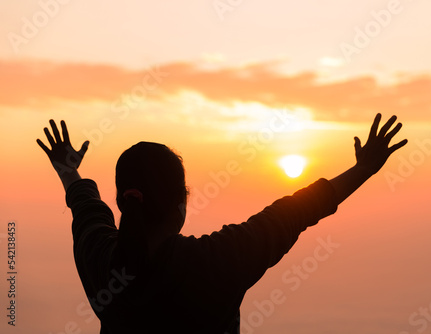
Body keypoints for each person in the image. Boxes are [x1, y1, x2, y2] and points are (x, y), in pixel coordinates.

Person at [37, 113, 407, 333]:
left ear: (122, 201)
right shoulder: (217, 262)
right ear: (180, 203)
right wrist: (364, 169)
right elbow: (295, 212)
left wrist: (68, 170)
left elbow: (86, 208)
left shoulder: (100, 261)